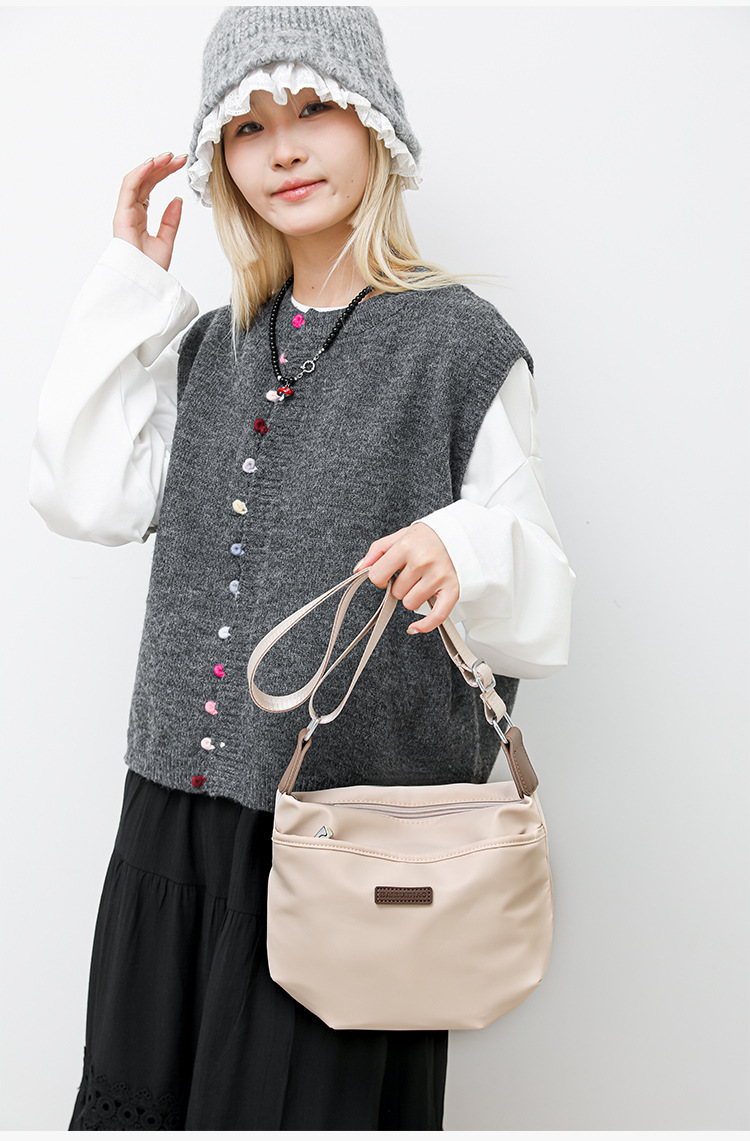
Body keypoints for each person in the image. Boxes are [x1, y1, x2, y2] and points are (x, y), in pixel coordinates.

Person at [28, 6, 576, 1131]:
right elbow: (86, 496)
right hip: (176, 823)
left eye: (315, 109)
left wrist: (461, 548)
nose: (283, 149)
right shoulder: (212, 344)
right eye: (249, 126)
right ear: (220, 159)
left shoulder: (459, 346)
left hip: (349, 847)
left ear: (376, 125)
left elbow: (539, 598)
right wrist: (130, 285)